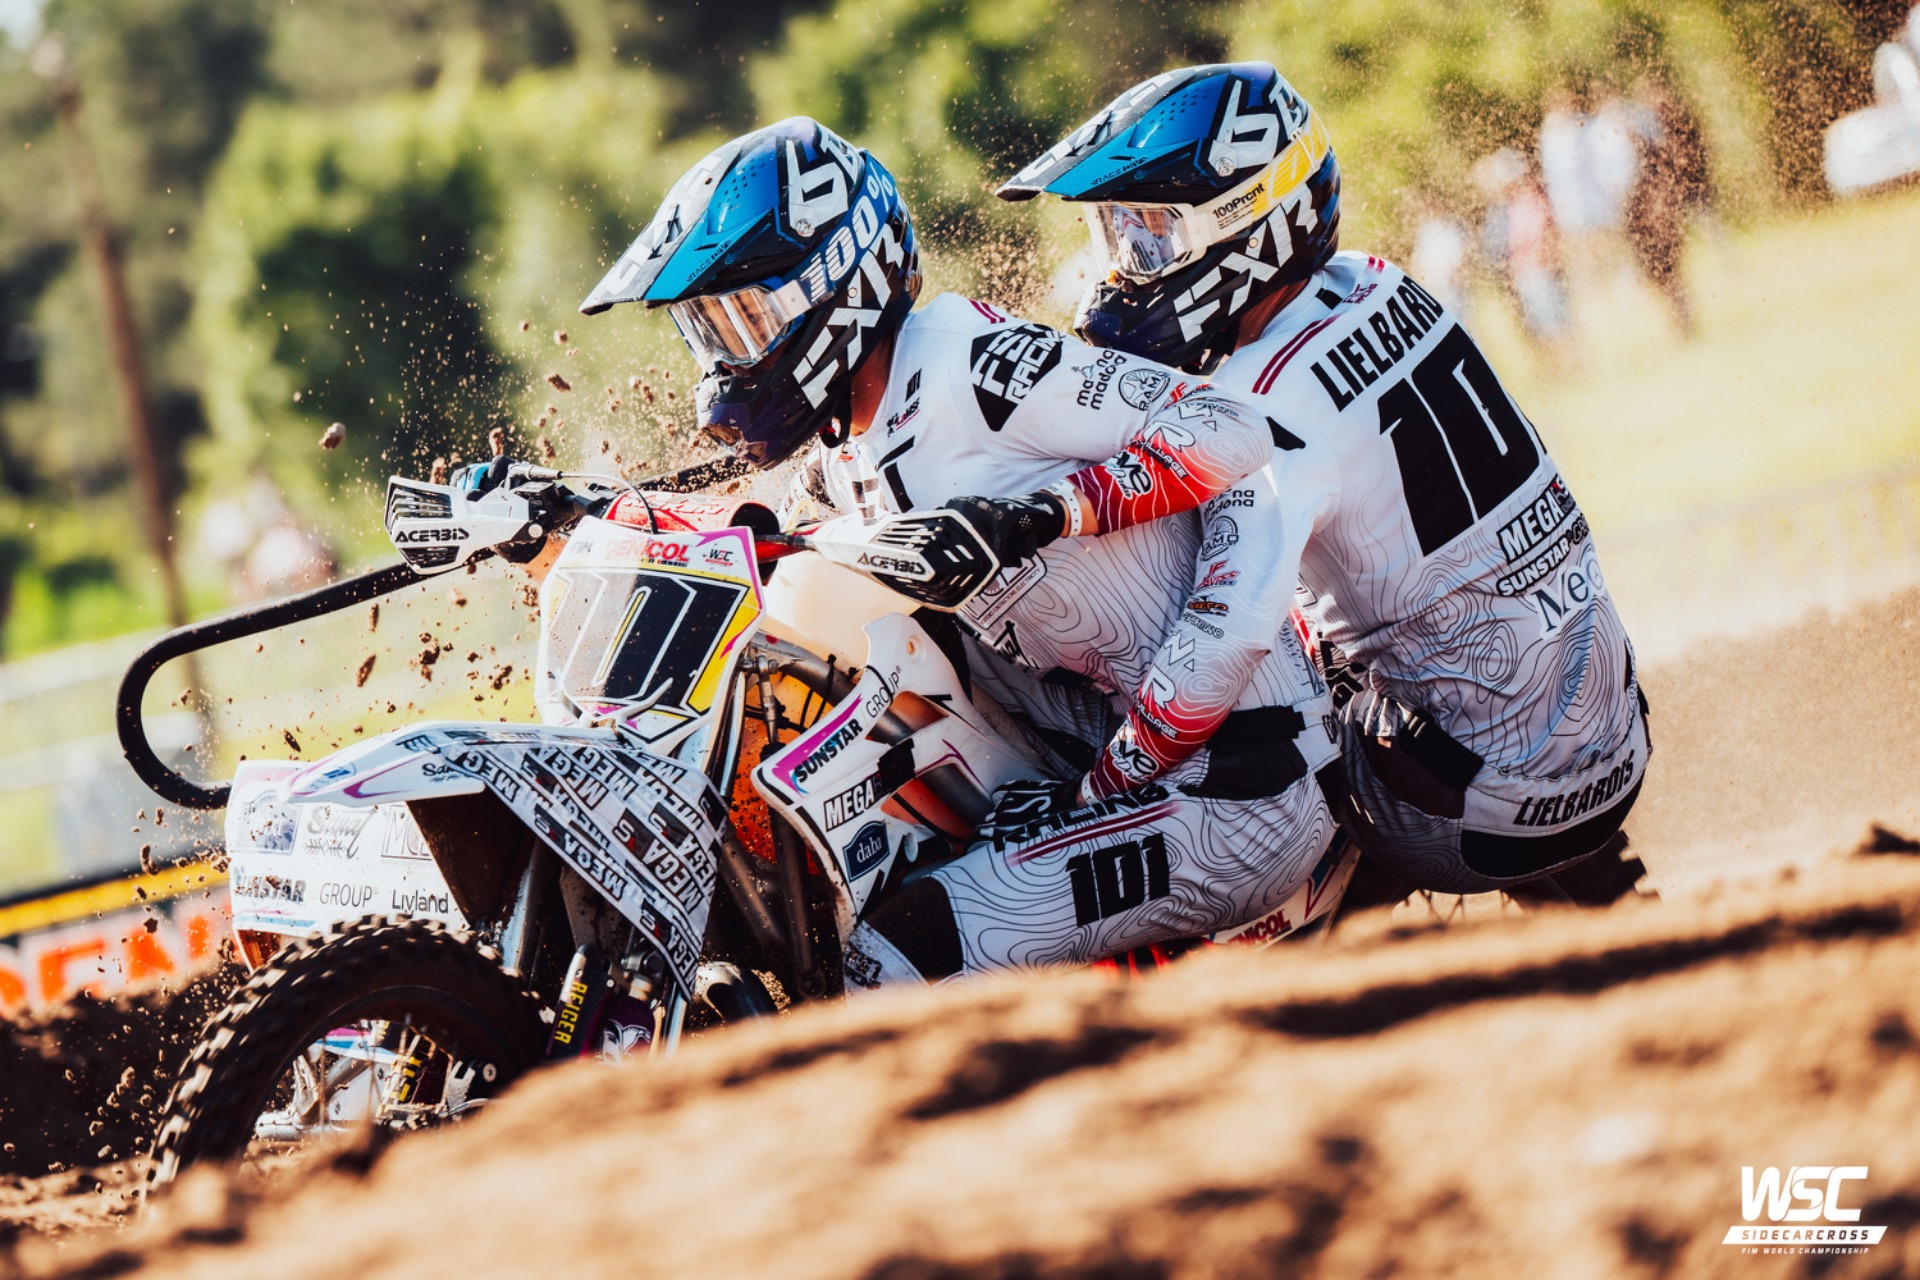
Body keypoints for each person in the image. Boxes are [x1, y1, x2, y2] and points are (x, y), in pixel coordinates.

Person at [578, 117, 1345, 983]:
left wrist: (1042, 515)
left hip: (1238, 785)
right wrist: (565, 510)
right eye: (707, 330)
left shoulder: (967, 363)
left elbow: (1230, 426)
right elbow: (761, 543)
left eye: (744, 319)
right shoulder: (843, 450)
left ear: (837, 284)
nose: (724, 361)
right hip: (1121, 770)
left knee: (884, 959)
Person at [1001, 62, 1650, 900]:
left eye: (1149, 236)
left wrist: (1098, 794)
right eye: (1118, 237)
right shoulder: (1384, 284)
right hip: (1612, 737)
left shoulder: (1254, 404)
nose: (1123, 269)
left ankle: (1303, 934)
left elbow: (1219, 645)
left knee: (1233, 688)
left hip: (1471, 812)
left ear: (1243, 226)